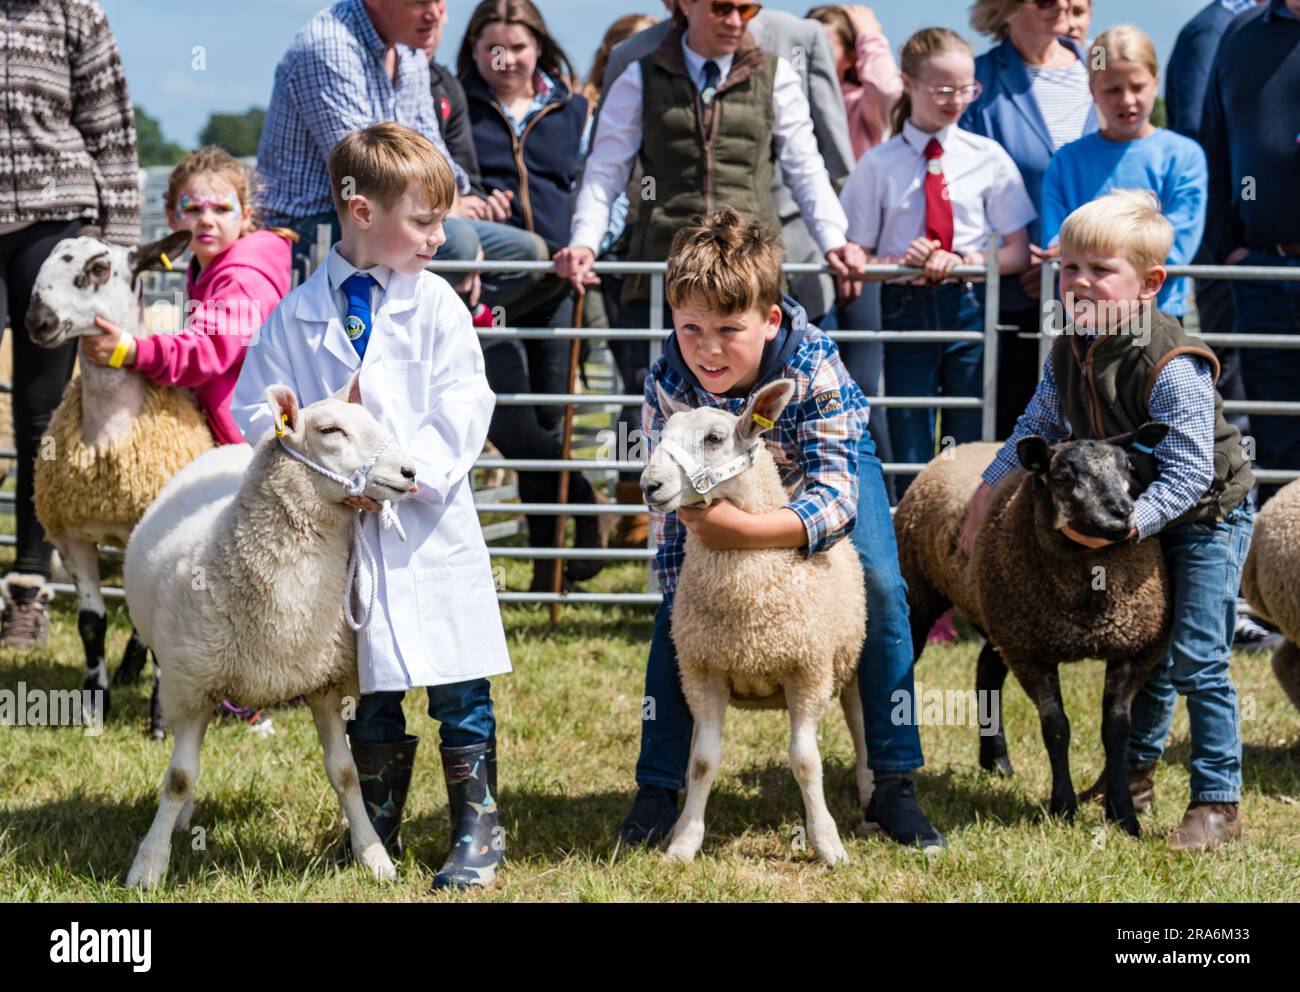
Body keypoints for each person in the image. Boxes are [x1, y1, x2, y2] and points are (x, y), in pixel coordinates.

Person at [230, 123, 513, 889]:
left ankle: (477, 828)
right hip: (341, 530)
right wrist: (317, 467)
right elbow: (257, 412)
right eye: (423, 220)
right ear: (361, 212)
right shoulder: (296, 316)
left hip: (426, 521)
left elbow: (463, 403)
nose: (438, 236)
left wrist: (401, 473)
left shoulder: (440, 307)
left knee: (458, 679)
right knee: (370, 682)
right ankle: (377, 819)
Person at [621, 208, 946, 852]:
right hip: (717, 494)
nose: (708, 348)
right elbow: (669, 504)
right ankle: (659, 787)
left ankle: (891, 781)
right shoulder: (670, 380)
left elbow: (835, 500)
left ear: (770, 320)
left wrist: (745, 531)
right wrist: (683, 585)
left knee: (880, 586)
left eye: (727, 330)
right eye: (690, 328)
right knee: (682, 615)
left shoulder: (815, 365)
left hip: (822, 478)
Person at [962, 191, 1256, 850]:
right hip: (1133, 507)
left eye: (1101, 270)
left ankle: (1217, 801)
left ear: (1150, 284)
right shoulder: (1069, 348)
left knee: (1195, 656)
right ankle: (1136, 775)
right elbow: (1037, 425)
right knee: (1144, 650)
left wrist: (1127, 528)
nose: (1080, 283)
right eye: (1069, 269)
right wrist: (987, 488)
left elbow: (1189, 474)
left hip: (1205, 513)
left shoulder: (1171, 364)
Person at [841, 27, 1033, 499]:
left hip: (966, 304)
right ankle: (911, 539)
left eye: (966, 88)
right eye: (943, 89)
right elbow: (855, 252)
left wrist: (964, 260)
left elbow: (1018, 250)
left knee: (970, 431)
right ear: (907, 83)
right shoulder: (879, 164)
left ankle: (964, 532)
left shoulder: (986, 157)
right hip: (903, 307)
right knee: (910, 428)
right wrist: (898, 262)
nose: (956, 100)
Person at [0, 0, 139, 646]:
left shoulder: (77, 14)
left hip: (52, 222)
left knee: (41, 411)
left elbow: (112, 134)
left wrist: (117, 256)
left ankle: (28, 585)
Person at [255, 0, 541, 310]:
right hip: (312, 228)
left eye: (439, 0)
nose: (436, 13)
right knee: (459, 243)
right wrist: (449, 213)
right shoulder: (327, 47)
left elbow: (432, 149)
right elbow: (369, 174)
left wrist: (449, 205)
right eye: (419, 2)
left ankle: (423, 315)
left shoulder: (408, 46)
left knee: (529, 254)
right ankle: (428, 318)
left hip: (396, 210)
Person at [458, 0, 607, 588]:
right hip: (490, 288)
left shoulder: (573, 108)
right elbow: (445, 178)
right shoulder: (454, 106)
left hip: (557, 284)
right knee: (509, 419)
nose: (506, 60)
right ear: (473, 50)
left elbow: (600, 185)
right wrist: (467, 201)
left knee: (552, 417)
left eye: (518, 47)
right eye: (492, 48)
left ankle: (548, 573)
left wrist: (588, 244)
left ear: (539, 46)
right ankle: (587, 495)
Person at [961, 0, 1098, 440]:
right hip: (1012, 300)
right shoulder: (974, 80)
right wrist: (1017, 259)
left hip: (1105, 300)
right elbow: (960, 185)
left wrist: (1071, 263)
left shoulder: (1105, 70)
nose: (1060, 4)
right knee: (1018, 439)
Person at [1202, 0, 1300, 507]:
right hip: (1264, 272)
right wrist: (1230, 248)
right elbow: (1214, 149)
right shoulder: (1241, 36)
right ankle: (1285, 576)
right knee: (1277, 432)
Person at [1040, 26, 1206, 322]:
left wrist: (1091, 256)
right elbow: (1056, 240)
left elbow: (1178, 246)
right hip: (1084, 319)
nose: (1127, 100)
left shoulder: (1184, 156)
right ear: (1092, 90)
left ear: (1155, 83)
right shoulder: (1067, 161)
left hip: (1157, 318)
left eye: (1137, 87)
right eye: (1113, 89)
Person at [806, 4, 902, 160]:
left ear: (850, 58)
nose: (811, 53)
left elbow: (887, 91)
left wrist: (869, 35)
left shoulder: (858, 105)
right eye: (806, 44)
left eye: (822, 46)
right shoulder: (790, 96)